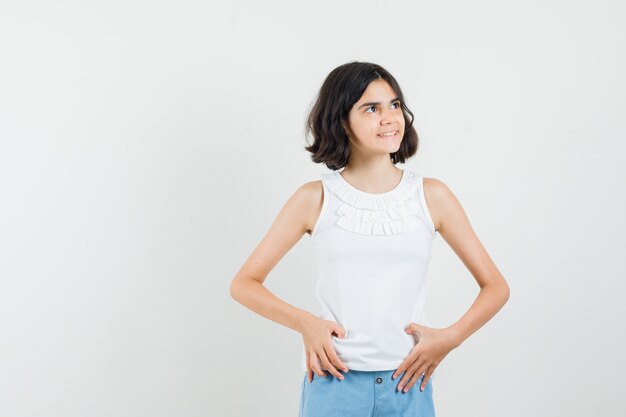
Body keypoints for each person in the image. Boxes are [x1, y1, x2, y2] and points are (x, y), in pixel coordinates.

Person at [229, 61, 510, 417]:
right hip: (334, 383)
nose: (390, 117)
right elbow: (244, 284)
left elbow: (495, 286)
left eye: (394, 105)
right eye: (371, 109)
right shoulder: (314, 198)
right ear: (342, 120)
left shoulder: (432, 196)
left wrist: (450, 338)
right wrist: (306, 323)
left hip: (408, 383)